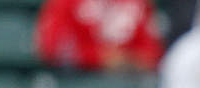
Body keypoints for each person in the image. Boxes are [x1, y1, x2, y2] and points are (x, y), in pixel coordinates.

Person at [35, 0, 164, 72]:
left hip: (126, 82)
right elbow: (51, 48)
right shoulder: (66, 2)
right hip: (78, 82)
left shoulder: (137, 3)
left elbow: (153, 52)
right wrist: (99, 57)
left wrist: (128, 59)